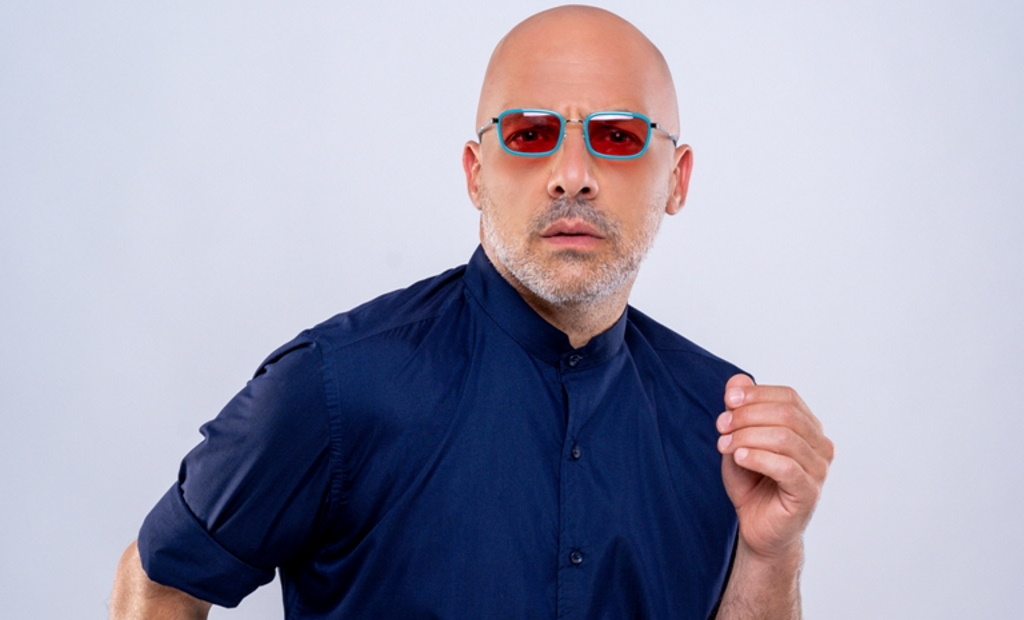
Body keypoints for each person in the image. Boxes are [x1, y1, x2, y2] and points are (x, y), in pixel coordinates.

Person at [110, 5, 833, 619]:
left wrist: (772, 553)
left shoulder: (722, 420)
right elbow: (160, 578)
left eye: (617, 135)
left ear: (676, 179)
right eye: (530, 134)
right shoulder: (333, 388)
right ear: (475, 173)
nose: (571, 176)